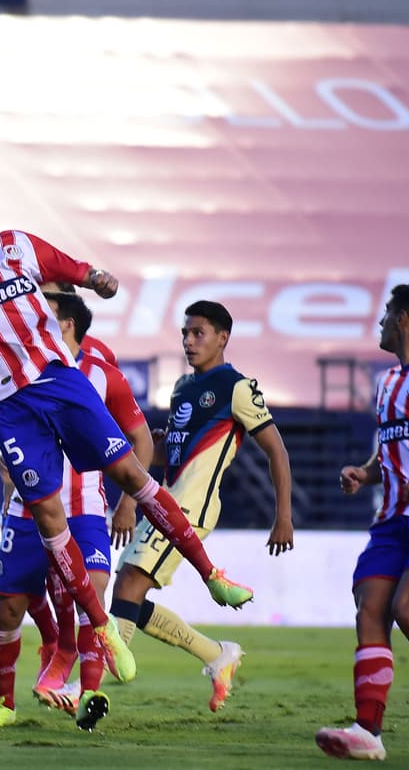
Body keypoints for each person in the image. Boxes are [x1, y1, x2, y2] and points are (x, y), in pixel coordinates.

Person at [0, 165, 254, 685]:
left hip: (58, 382)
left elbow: (80, 272)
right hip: (10, 410)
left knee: (129, 475)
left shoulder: (21, 248)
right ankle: (100, 630)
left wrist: (99, 279)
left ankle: (211, 575)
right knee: (50, 516)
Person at [0, 291, 152, 733]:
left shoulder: (102, 374)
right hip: (28, 511)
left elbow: (141, 440)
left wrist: (129, 502)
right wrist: (5, 456)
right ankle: (3, 703)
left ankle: (89, 691)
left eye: (44, 313)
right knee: (8, 610)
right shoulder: (12, 373)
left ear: (65, 323)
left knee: (93, 592)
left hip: (85, 508)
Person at [108, 300, 293, 713]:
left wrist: (283, 516)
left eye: (198, 334)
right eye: (185, 334)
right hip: (164, 503)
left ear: (223, 338)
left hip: (190, 509)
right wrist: (142, 456)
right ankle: (216, 654)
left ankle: (93, 684)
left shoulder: (237, 387)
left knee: (126, 588)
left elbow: (276, 450)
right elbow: (173, 455)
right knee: (129, 599)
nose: (189, 342)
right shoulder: (182, 388)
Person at [316, 283, 409, 762]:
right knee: (369, 606)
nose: (381, 323)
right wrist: (367, 472)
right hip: (390, 520)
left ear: (403, 318)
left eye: (387, 314)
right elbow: (394, 443)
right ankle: (368, 731)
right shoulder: (388, 381)